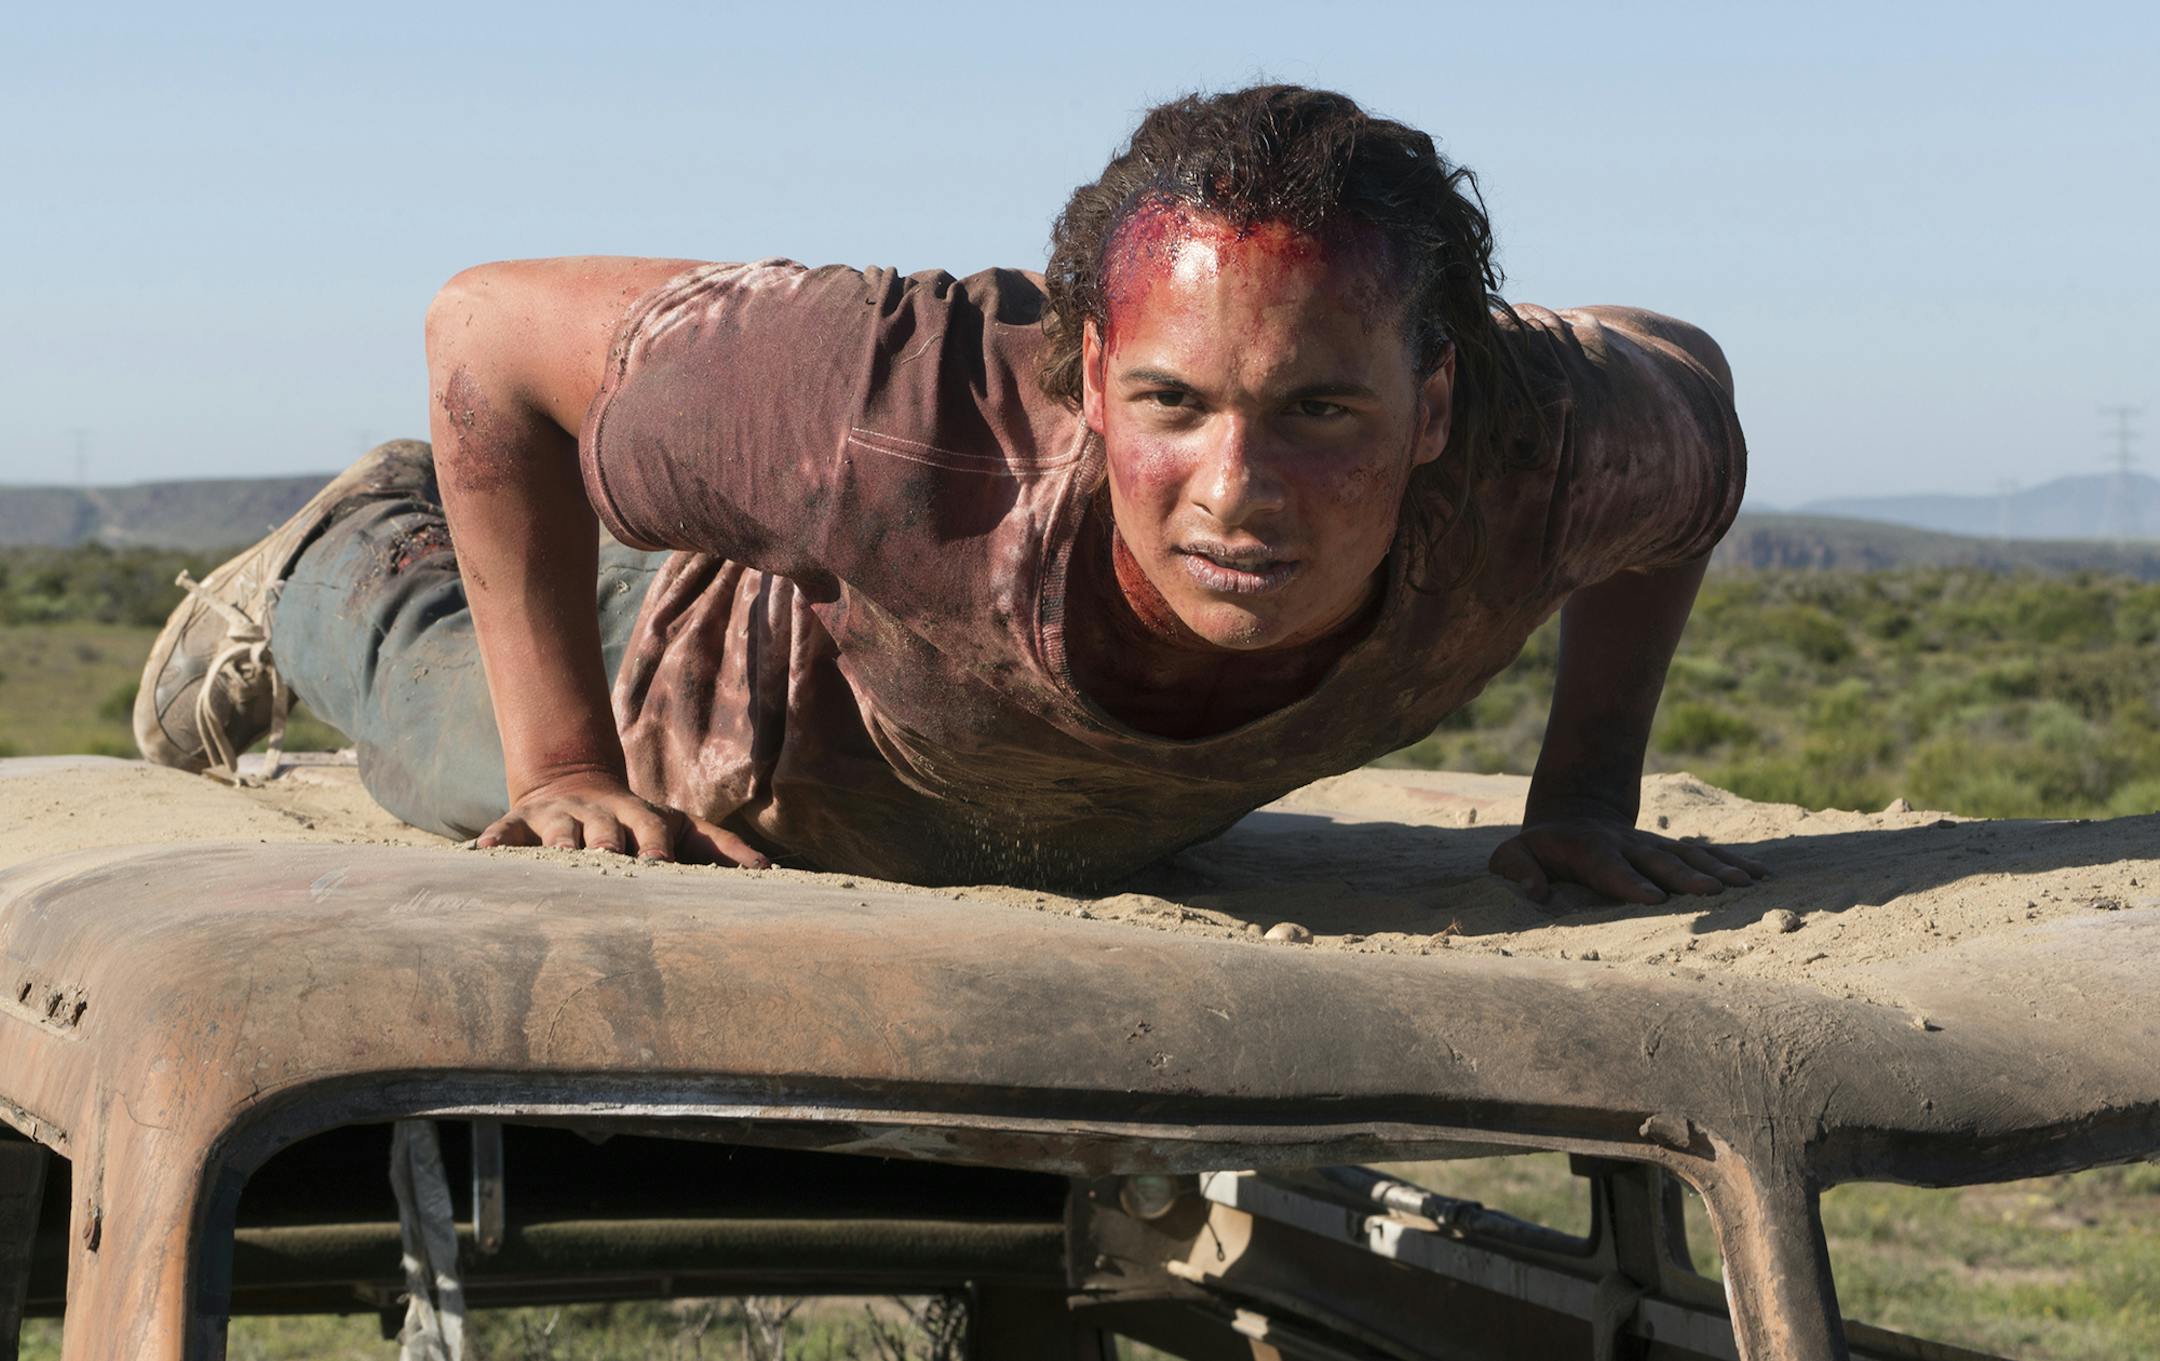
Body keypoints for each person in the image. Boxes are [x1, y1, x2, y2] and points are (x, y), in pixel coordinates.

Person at [135, 84, 1766, 904]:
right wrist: (567, 761)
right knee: (452, 738)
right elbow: (483, 329)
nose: (1239, 490)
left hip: (1047, 792)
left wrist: (1585, 797)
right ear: (1089, 375)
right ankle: (327, 554)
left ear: (1435, 405)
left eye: (1321, 411)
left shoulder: (1546, 444)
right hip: (728, 718)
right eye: (1174, 403)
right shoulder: (886, 410)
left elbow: (1684, 378)